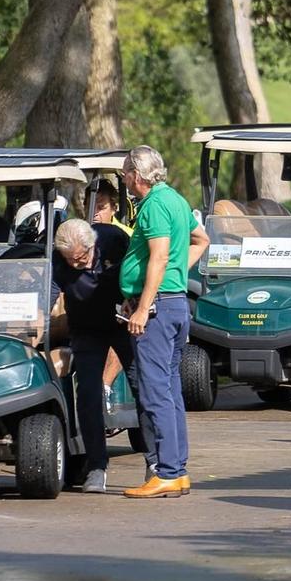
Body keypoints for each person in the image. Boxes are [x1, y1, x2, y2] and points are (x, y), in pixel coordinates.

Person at [119, 144, 210, 498]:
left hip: (157, 308)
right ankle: (178, 469)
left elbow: (157, 257)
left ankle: (168, 471)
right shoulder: (175, 199)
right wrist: (176, 273)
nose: (125, 179)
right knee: (170, 390)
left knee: (155, 391)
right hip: (174, 303)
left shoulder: (154, 204)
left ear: (136, 176)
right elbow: (201, 240)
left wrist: (142, 307)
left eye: (126, 173)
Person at [53, 217, 136, 493]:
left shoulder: (112, 239)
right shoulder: (58, 261)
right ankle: (97, 465)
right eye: (72, 261)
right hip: (86, 330)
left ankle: (156, 460)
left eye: (83, 257)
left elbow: (139, 266)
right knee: (88, 395)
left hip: (122, 322)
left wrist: (135, 300)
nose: (80, 264)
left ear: (92, 246)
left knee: (143, 386)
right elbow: (48, 294)